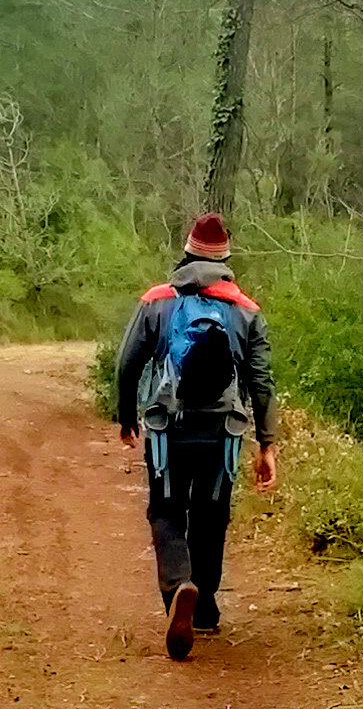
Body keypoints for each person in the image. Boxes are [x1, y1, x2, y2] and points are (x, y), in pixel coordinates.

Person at [112, 211, 280, 661]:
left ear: (185, 253)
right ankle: (203, 607)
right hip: (224, 432)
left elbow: (128, 363)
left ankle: (178, 587)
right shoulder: (245, 310)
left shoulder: (157, 300)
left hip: (169, 428)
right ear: (226, 259)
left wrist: (127, 417)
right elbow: (261, 381)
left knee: (166, 510)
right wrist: (267, 444)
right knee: (212, 514)